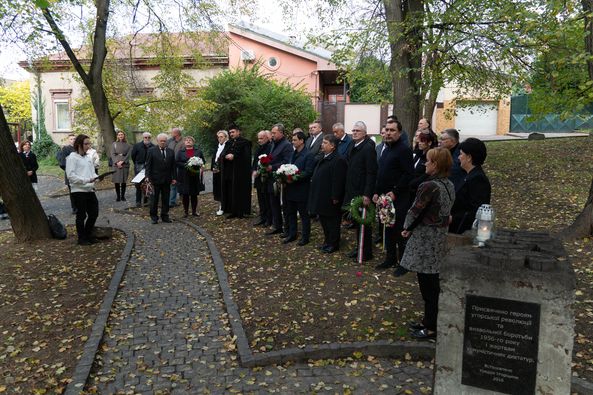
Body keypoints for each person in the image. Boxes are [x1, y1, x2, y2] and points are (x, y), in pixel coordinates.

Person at [400, 147, 455, 340]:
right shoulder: (448, 184)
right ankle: (428, 320)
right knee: (431, 282)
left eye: (429, 161)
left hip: (426, 240)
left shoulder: (429, 186)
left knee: (428, 284)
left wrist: (406, 227)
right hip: (438, 238)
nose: (425, 163)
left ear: (436, 165)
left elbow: (415, 210)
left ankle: (431, 326)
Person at [373, 118, 414, 274]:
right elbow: (381, 174)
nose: (388, 133)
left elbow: (408, 174)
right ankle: (390, 258)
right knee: (387, 228)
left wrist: (396, 191)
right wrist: (376, 192)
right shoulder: (386, 149)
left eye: (392, 130)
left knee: (399, 230)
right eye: (387, 130)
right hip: (384, 198)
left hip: (398, 198)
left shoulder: (404, 150)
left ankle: (403, 263)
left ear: (399, 133)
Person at [343, 121, 377, 262]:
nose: (354, 132)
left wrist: (367, 194)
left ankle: (366, 251)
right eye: (353, 130)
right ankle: (359, 247)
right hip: (352, 189)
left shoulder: (368, 148)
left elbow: (371, 172)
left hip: (362, 191)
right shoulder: (352, 145)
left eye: (357, 130)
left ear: (364, 132)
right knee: (357, 222)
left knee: (364, 223)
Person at [309, 135, 347, 253]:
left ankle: (333, 244)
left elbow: (338, 180)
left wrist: (335, 196)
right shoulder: (324, 157)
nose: (322, 145)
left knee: (333, 222)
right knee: (324, 221)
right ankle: (327, 241)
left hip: (331, 197)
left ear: (333, 146)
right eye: (323, 142)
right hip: (321, 195)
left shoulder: (338, 160)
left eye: (325, 143)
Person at [449, 137, 491, 234]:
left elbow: (476, 210)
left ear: (469, 157)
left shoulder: (478, 179)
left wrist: (453, 219)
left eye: (461, 154)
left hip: (463, 231)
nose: (459, 157)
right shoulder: (468, 175)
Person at [65, 134, 99, 245]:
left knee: (94, 213)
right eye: (86, 143)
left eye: (89, 143)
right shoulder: (72, 157)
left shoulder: (88, 157)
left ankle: (87, 235)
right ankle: (82, 238)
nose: (88, 146)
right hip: (78, 191)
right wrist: (86, 180)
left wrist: (96, 178)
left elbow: (92, 172)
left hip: (90, 190)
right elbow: (70, 175)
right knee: (81, 215)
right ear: (79, 144)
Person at [284, 131, 315, 245]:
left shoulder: (309, 155)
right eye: (292, 140)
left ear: (302, 141)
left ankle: (305, 237)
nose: (293, 142)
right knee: (291, 213)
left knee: (303, 215)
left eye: (295, 140)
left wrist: (294, 178)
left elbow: (308, 172)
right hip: (290, 188)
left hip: (302, 189)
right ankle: (292, 234)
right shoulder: (293, 153)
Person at [265, 123, 293, 234]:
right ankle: (277, 225)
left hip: (281, 180)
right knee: (273, 203)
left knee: (283, 205)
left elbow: (287, 162)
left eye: (274, 133)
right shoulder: (273, 144)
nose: (272, 135)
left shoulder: (286, 145)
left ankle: (287, 228)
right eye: (271, 133)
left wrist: (273, 167)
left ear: (281, 133)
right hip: (272, 178)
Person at [220, 125, 252, 218]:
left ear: (238, 132)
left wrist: (234, 156)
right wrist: (225, 156)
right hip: (229, 172)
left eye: (233, 132)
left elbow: (247, 158)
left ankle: (241, 211)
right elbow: (223, 154)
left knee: (240, 191)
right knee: (230, 191)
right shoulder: (228, 143)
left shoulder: (245, 143)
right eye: (230, 133)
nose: (231, 134)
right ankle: (232, 211)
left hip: (240, 173)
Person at [145, 133, 176, 224]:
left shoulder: (171, 151)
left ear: (166, 141)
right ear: (157, 141)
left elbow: (173, 166)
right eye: (161, 141)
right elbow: (148, 165)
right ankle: (154, 217)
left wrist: (174, 177)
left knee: (166, 199)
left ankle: (165, 216)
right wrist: (147, 177)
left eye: (164, 141)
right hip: (155, 179)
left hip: (167, 179)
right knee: (154, 200)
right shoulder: (151, 151)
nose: (163, 142)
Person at [175, 136, 206, 217]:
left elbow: (203, 161)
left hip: (194, 176)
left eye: (190, 140)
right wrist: (187, 165)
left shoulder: (198, 151)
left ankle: (194, 211)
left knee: (194, 194)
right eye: (187, 140)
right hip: (183, 176)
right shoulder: (180, 152)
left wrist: (199, 164)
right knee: (185, 194)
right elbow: (177, 162)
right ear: (184, 143)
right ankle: (186, 212)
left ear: (193, 142)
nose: (188, 141)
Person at [252, 130, 272, 226]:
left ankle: (268, 218)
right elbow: (255, 161)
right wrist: (254, 170)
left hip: (265, 177)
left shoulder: (269, 147)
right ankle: (262, 217)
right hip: (258, 178)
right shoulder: (259, 148)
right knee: (260, 199)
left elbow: (269, 161)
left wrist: (260, 171)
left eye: (261, 138)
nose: (259, 140)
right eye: (258, 138)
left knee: (266, 199)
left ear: (267, 138)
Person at [130, 132, 154, 207]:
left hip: (149, 167)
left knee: (148, 183)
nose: (147, 139)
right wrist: (137, 164)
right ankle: (138, 201)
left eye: (148, 137)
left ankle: (146, 200)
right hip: (139, 166)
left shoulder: (153, 146)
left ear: (150, 138)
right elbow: (133, 156)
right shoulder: (137, 146)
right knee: (138, 184)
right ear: (143, 138)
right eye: (145, 137)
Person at [110, 129, 131, 201]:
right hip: (116, 164)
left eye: (122, 134)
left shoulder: (128, 145)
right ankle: (118, 196)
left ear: (124, 135)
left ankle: (123, 196)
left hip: (124, 164)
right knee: (117, 181)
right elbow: (112, 154)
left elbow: (128, 155)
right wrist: (117, 162)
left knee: (123, 181)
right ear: (117, 136)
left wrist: (122, 162)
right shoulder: (114, 144)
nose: (120, 136)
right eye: (119, 135)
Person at [58, 134, 77, 213]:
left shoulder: (79, 148)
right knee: (72, 191)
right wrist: (69, 169)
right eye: (71, 139)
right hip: (70, 173)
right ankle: (74, 208)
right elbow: (63, 163)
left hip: (80, 173)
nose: (73, 140)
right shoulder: (65, 149)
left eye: (74, 139)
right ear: (68, 140)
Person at [211, 130, 228, 215]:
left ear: (226, 137)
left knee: (224, 189)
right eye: (218, 137)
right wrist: (213, 168)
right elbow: (213, 158)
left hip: (224, 172)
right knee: (218, 189)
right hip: (217, 172)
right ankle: (221, 206)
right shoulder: (217, 147)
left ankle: (224, 207)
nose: (219, 138)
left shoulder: (228, 147)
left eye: (221, 137)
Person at [167, 127, 184, 207]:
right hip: (171, 165)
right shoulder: (171, 142)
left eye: (172, 132)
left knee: (180, 183)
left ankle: (182, 199)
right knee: (173, 183)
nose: (171, 134)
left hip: (180, 166)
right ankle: (172, 202)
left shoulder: (184, 142)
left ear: (176, 133)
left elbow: (185, 153)